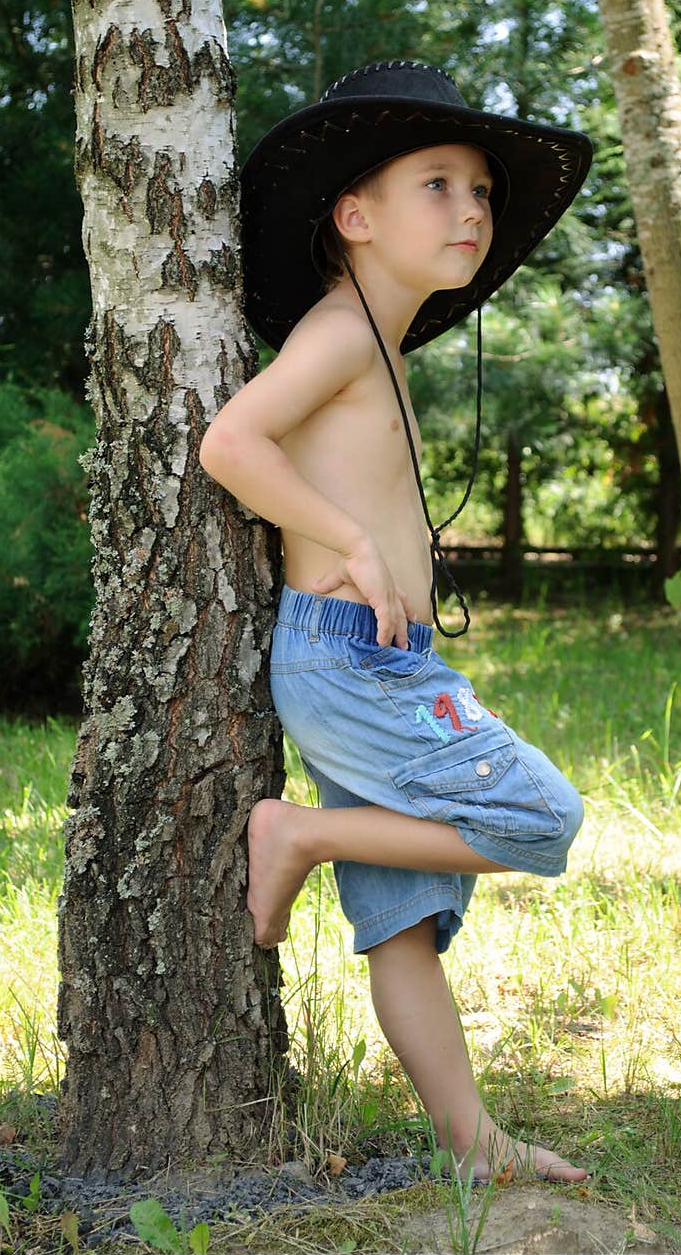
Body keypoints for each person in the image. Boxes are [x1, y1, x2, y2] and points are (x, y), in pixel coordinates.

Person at [199, 60, 593, 1185]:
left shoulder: (378, 337)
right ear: (355, 215)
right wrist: (355, 542)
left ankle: (475, 1146)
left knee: (406, 922)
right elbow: (230, 443)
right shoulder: (339, 330)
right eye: (437, 183)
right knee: (540, 818)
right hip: (351, 661)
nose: (470, 207)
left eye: (480, 189)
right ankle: (303, 835)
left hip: (374, 661)